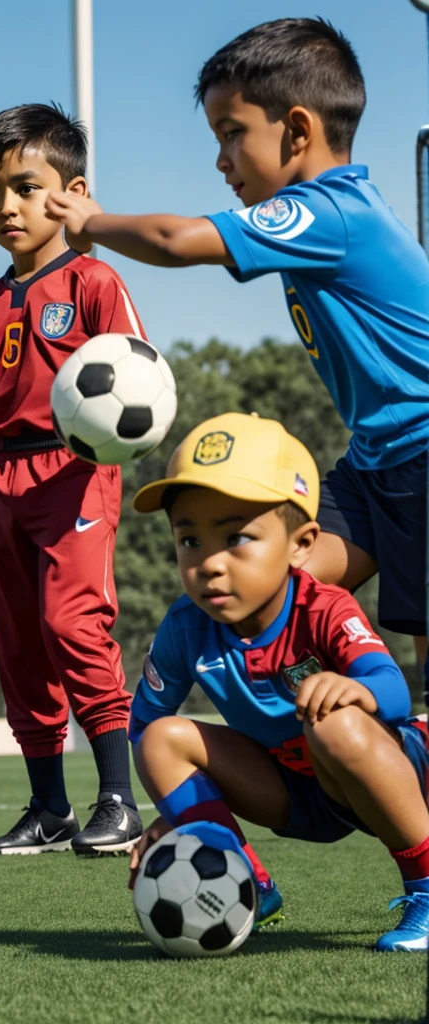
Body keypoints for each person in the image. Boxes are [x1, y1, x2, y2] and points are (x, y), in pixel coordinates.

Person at [45, 17, 429, 692]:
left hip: (424, 459)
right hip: (374, 467)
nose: (221, 159)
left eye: (232, 133)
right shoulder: (318, 217)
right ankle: (294, 743)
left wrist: (89, 224)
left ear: (300, 131)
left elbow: (174, 240)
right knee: (263, 587)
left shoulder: (331, 209)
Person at [126, 412, 429, 952]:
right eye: (189, 539)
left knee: (335, 726)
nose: (210, 563)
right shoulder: (185, 627)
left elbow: (395, 691)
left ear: (301, 544)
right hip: (295, 793)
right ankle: (247, 883)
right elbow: (145, 722)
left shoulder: (323, 605)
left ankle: (426, 886)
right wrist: (183, 819)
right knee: (159, 739)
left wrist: (356, 689)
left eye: (237, 536)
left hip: (387, 771)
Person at [0, 103, 145, 855]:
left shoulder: (96, 281)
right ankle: (48, 809)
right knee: (20, 644)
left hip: (75, 471)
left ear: (71, 190)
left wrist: (107, 460)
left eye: (26, 188)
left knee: (73, 625)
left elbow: (139, 380)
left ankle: (120, 801)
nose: (7, 207)